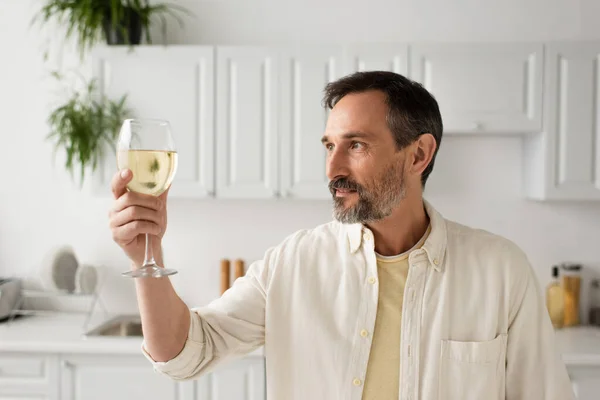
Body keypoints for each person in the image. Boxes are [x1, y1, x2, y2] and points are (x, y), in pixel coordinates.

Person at [108, 71, 575, 400]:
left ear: (418, 155)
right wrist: (141, 254)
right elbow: (184, 354)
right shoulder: (293, 263)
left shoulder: (499, 270)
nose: (332, 169)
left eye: (356, 145)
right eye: (329, 146)